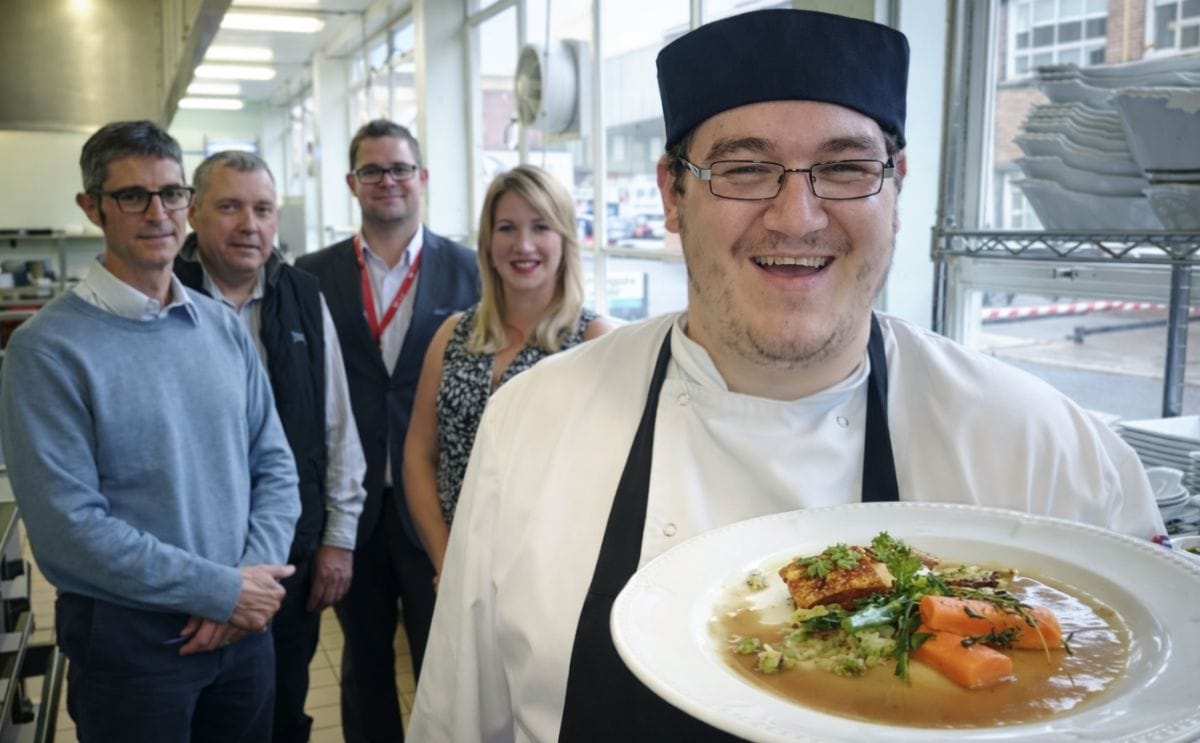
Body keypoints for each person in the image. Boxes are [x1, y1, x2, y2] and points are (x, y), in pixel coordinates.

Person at [408, 9, 1164, 741]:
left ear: (895, 186)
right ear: (674, 193)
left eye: (844, 167)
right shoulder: (532, 423)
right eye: (745, 168)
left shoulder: (1050, 450)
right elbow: (459, 719)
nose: (798, 216)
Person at [0, 121, 300, 742]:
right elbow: (68, 531)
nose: (158, 212)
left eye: (172, 193)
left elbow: (274, 465)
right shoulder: (47, 350)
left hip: (244, 635)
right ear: (92, 208)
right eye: (132, 196)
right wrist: (221, 591)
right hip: (132, 646)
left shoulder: (220, 328)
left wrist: (251, 583)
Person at [295, 118, 479, 742]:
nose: (387, 181)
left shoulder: (471, 270)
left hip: (439, 510)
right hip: (353, 513)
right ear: (352, 183)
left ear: (423, 177)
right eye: (372, 170)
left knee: (445, 664)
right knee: (365, 662)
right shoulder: (310, 274)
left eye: (400, 168)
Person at [173, 150, 367, 743]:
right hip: (191, 561)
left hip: (289, 558)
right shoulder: (164, 296)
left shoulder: (303, 297)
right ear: (193, 213)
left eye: (261, 209)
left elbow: (337, 425)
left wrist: (338, 537)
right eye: (229, 207)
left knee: (283, 711)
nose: (248, 225)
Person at [402, 165, 616, 581]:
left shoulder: (594, 340)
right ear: (487, 242)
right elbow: (419, 455)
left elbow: (607, 480)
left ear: (564, 239)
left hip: (550, 577)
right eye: (506, 228)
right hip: (454, 570)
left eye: (541, 227)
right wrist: (446, 560)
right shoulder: (453, 335)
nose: (523, 245)